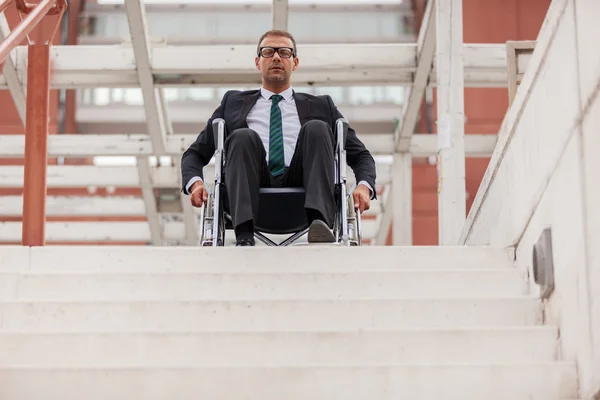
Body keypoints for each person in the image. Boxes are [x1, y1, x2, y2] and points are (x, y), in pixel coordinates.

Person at [181, 29, 377, 246]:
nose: (276, 57)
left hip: (304, 192)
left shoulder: (323, 105)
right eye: (268, 52)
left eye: (284, 52)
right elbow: (194, 154)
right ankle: (244, 233)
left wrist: (363, 186)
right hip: (249, 191)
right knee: (243, 136)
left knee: (317, 128)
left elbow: (361, 156)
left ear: (295, 62)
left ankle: (319, 222)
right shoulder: (232, 103)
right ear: (258, 62)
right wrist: (196, 183)